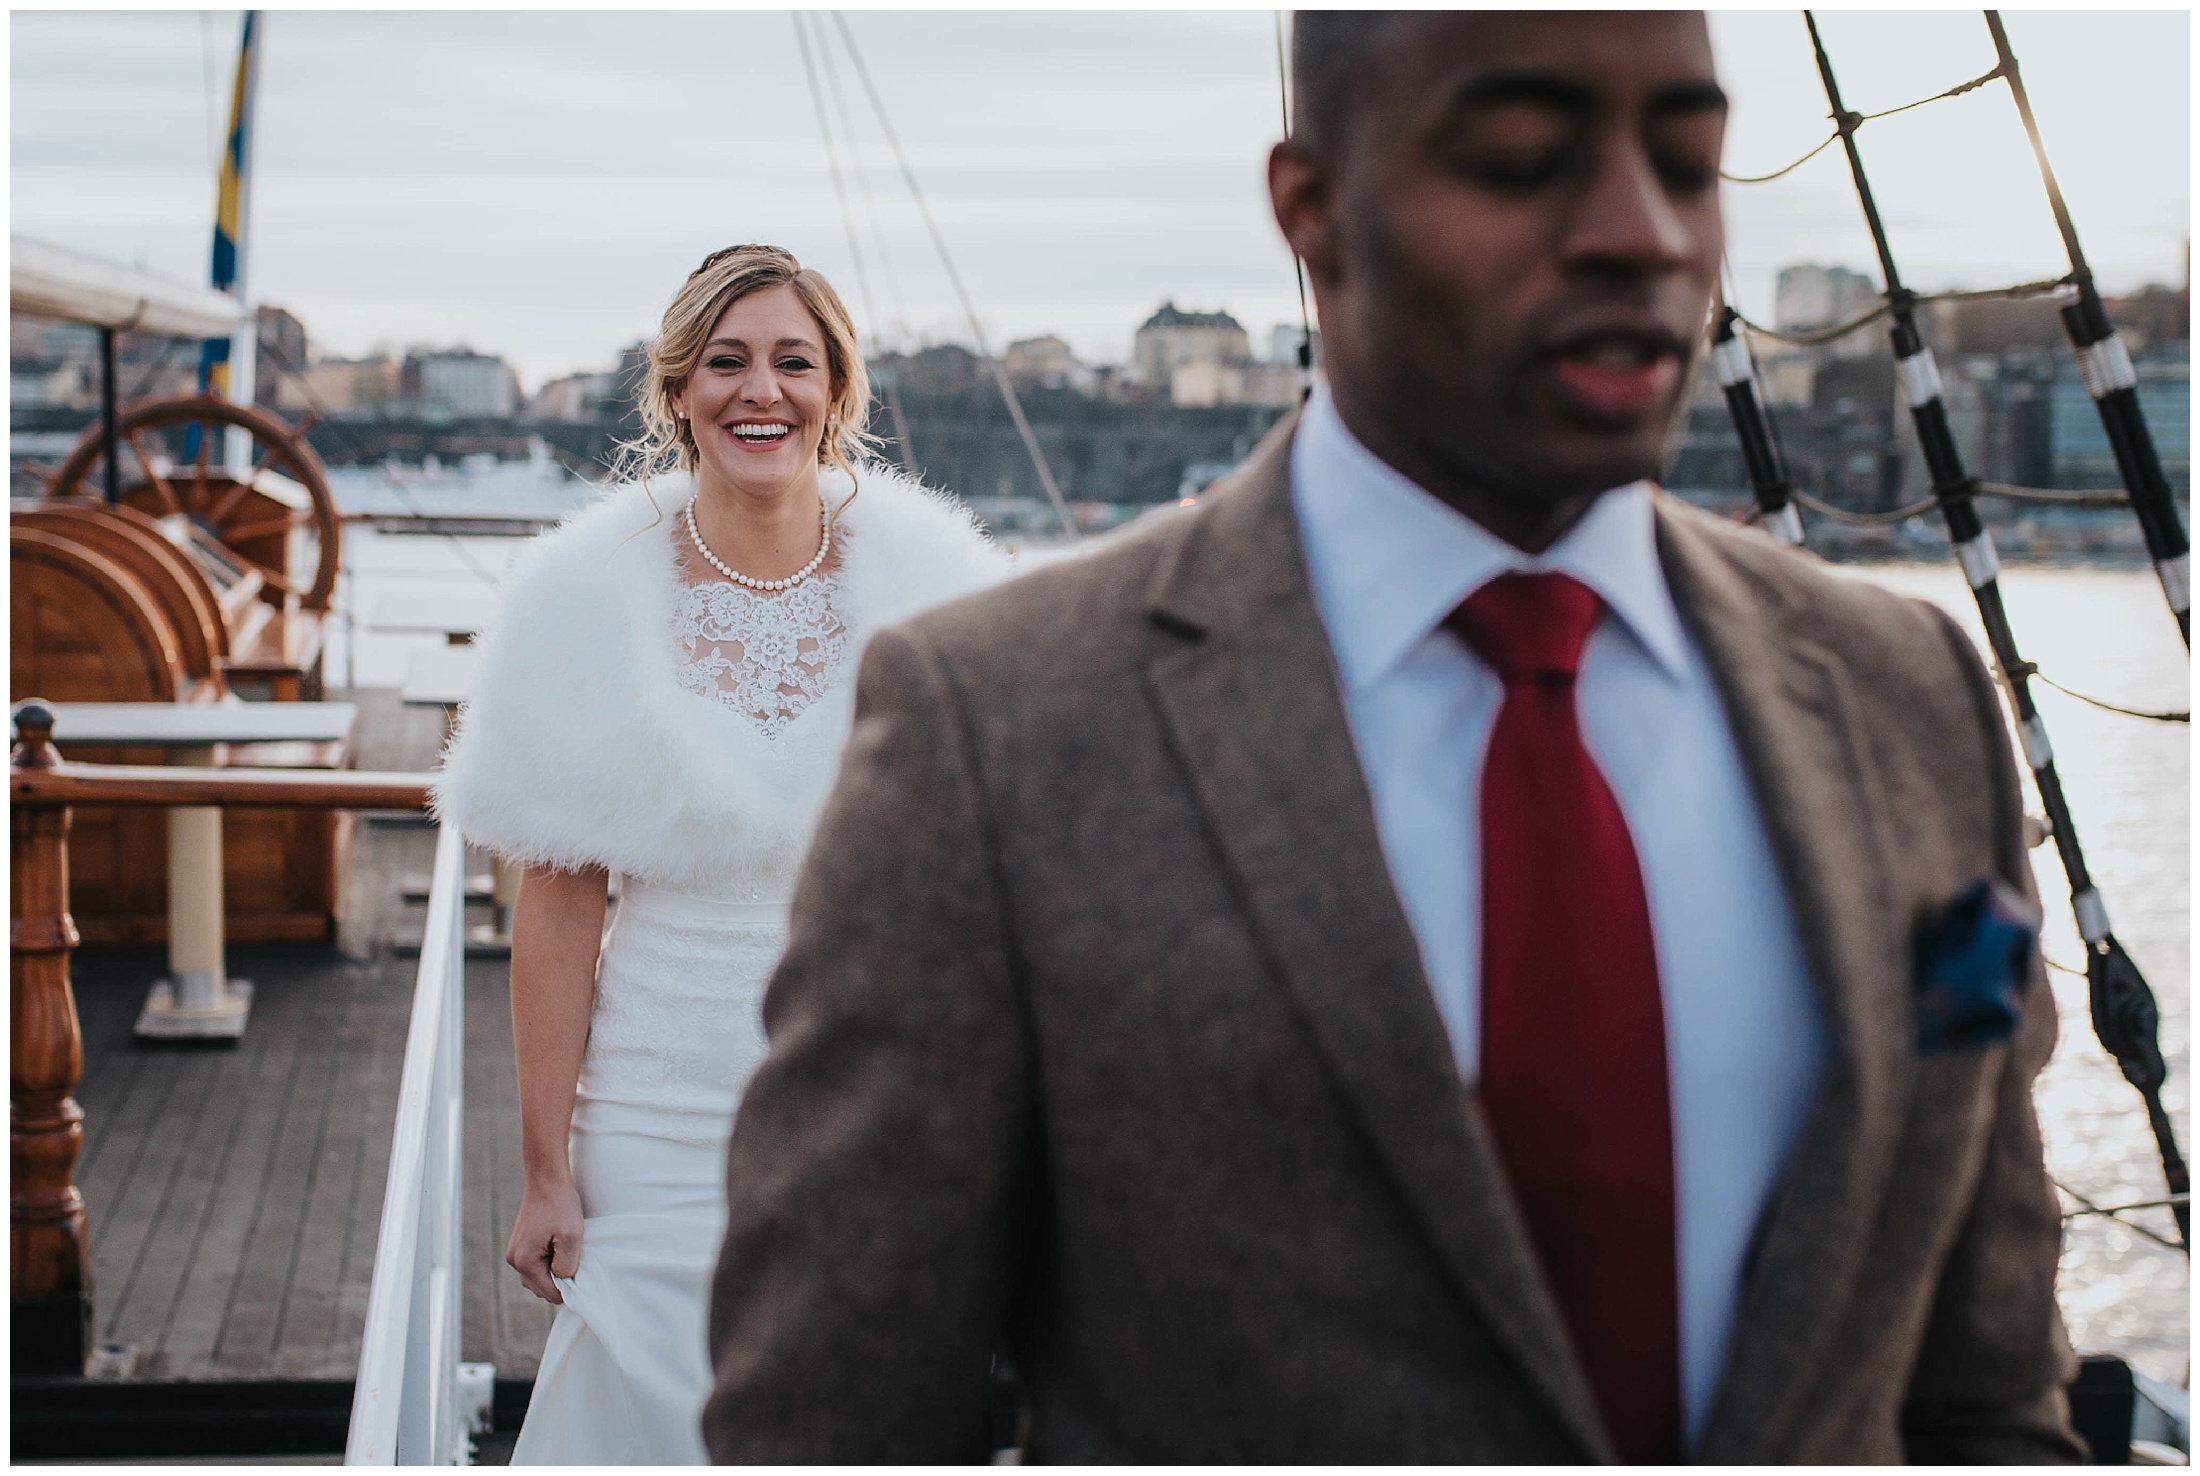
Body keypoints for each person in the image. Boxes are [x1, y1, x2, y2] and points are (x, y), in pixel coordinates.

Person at [703, 13, 2082, 1464]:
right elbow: (830, 1427)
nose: (1639, 234)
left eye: (1687, 158)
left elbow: (1992, 1404)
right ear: (1313, 209)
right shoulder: (994, 734)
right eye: (1516, 159)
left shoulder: (1908, 694)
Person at [433, 244, 1006, 1463]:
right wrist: (546, 1171)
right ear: (677, 389)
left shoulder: (937, 585)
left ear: (838, 391)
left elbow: (976, 890)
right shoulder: (585, 594)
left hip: (864, 1097)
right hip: (653, 1107)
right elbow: (558, 899)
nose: (762, 391)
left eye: (794, 362)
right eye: (726, 362)